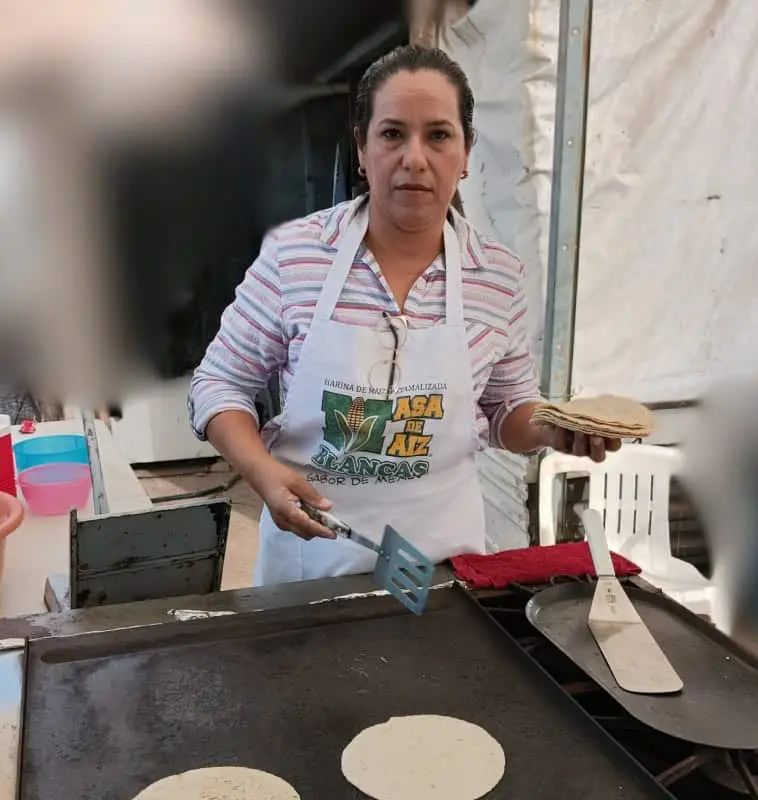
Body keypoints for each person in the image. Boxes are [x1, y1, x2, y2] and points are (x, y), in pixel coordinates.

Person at [189, 45, 620, 586]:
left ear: (465, 155)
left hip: (440, 575)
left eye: (439, 135)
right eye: (392, 134)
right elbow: (218, 385)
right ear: (363, 149)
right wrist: (263, 472)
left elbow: (510, 408)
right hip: (310, 565)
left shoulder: (497, 276)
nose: (415, 158)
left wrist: (555, 430)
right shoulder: (296, 257)